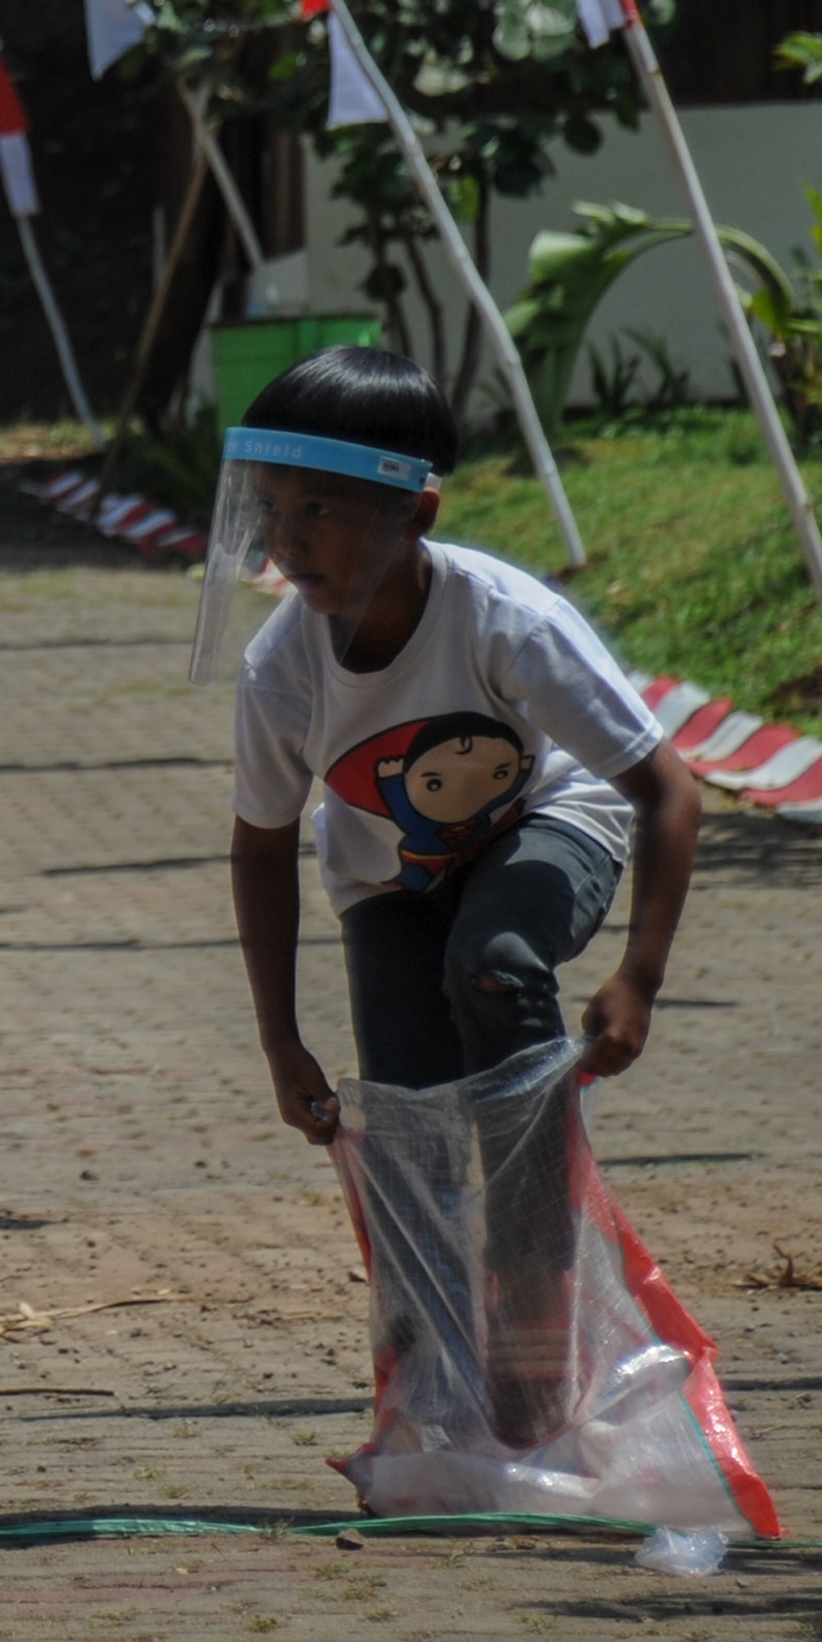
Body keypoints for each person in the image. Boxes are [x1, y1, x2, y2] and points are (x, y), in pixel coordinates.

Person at [209, 346, 699, 1145]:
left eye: (320, 510)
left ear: (415, 515)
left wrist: (639, 975)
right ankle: (429, 1275)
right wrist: (280, 1041)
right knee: (409, 1120)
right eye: (268, 508)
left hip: (546, 817)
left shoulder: (509, 621)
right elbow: (261, 849)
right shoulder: (279, 667)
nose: (283, 543)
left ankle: (537, 1252)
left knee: (494, 963)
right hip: (391, 876)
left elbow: (669, 790)